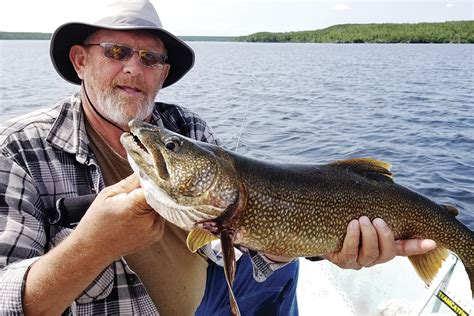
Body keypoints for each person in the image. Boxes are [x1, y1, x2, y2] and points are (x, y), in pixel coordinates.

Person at [0, 1, 437, 315]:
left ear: (163, 73)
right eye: (116, 52)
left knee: (284, 274)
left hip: (210, 288)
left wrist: (323, 246)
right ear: (79, 61)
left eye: (151, 58)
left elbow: (235, 236)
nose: (135, 68)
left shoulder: (187, 129)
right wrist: (92, 248)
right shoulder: (19, 148)